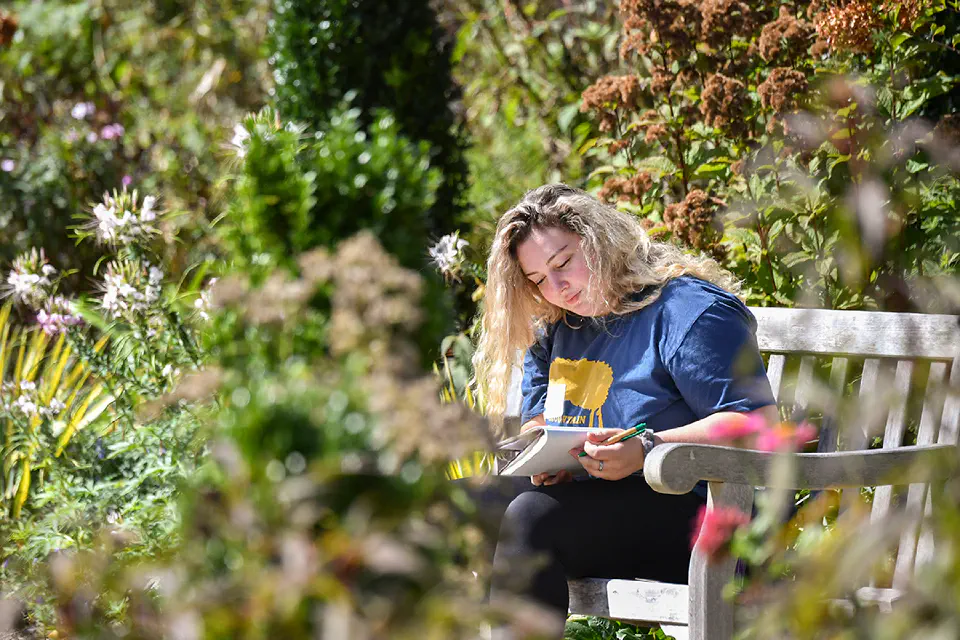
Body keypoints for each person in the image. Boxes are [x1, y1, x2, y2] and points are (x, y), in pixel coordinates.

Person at [471, 183, 777, 638]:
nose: (556, 288)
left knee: (532, 517)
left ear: (599, 240)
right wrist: (547, 459)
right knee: (459, 509)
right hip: (601, 506)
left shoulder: (686, 310)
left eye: (563, 263)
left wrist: (648, 447)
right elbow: (540, 421)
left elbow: (757, 424)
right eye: (537, 280)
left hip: (701, 512)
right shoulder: (555, 325)